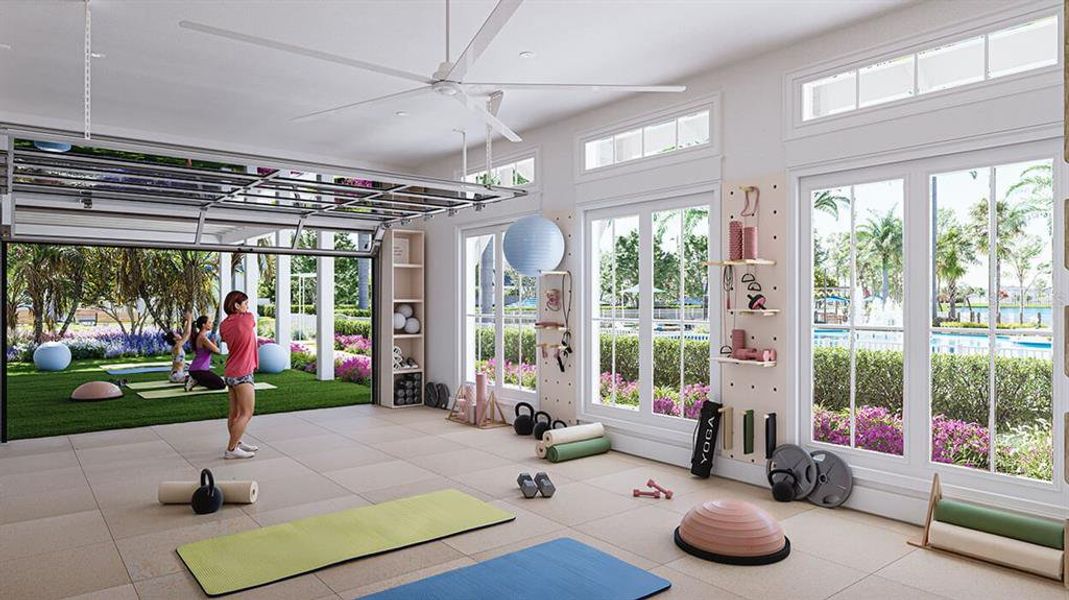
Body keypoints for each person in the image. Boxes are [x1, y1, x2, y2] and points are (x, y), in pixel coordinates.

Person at [219, 291, 259, 459]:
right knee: (246, 413)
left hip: (230, 372)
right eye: (245, 304)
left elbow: (224, 339)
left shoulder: (223, 324)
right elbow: (252, 323)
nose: (247, 307)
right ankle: (231, 449)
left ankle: (237, 441)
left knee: (234, 414)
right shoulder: (247, 318)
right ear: (236, 305)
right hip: (243, 372)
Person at [184, 315, 226, 392]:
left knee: (219, 382)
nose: (211, 324)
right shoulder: (203, 338)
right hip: (199, 370)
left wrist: (213, 345)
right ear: (204, 325)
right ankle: (195, 380)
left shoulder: (199, 336)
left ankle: (195, 380)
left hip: (197, 370)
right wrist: (214, 344)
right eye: (209, 322)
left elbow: (214, 351)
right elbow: (218, 351)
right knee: (221, 385)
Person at [163, 312, 192, 384]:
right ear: (174, 339)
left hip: (175, 375)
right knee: (199, 378)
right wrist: (189, 319)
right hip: (178, 375)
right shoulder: (177, 346)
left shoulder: (176, 346)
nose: (178, 334)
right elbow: (187, 334)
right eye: (176, 334)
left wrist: (187, 321)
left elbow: (185, 333)